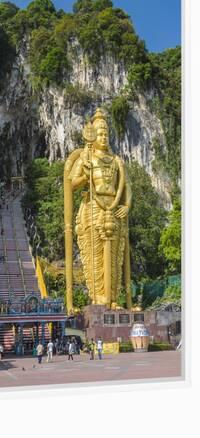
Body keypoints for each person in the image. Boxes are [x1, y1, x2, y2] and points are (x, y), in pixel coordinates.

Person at [65, 108, 132, 310]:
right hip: (93, 207)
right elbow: (72, 183)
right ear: (92, 136)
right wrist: (86, 175)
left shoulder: (116, 161)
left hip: (114, 207)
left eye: (106, 134)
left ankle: (113, 298)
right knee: (95, 255)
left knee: (116, 255)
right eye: (100, 134)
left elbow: (127, 186)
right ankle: (98, 297)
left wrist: (126, 205)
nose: (103, 137)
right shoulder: (86, 159)